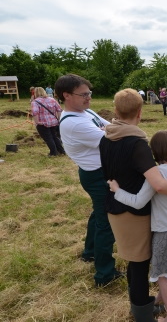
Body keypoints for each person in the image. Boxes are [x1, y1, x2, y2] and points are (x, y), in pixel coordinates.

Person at [99, 89, 167, 320]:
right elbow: (158, 184)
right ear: (139, 112)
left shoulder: (106, 137)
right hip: (134, 212)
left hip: (115, 209)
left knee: (133, 262)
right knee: (138, 265)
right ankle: (142, 313)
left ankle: (142, 303)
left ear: (116, 111)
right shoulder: (137, 144)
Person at [107, 130, 167, 322]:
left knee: (163, 276)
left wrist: (117, 191)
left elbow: (138, 202)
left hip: (164, 232)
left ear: (154, 151)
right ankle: (161, 299)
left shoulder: (158, 174)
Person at [54, 74, 121, 287]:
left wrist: (106, 130)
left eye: (89, 93)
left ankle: (90, 252)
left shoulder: (85, 112)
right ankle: (104, 274)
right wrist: (106, 131)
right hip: (95, 176)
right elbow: (112, 138)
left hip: (99, 172)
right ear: (66, 95)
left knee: (98, 213)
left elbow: (111, 126)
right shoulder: (73, 123)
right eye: (84, 95)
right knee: (106, 222)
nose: (89, 98)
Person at [31, 87, 65, 156]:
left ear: (36, 93)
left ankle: (53, 153)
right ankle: (61, 151)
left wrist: (37, 122)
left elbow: (35, 112)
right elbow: (59, 109)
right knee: (55, 137)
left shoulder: (35, 102)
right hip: (54, 122)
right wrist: (58, 119)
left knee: (48, 138)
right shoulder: (52, 99)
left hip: (43, 124)